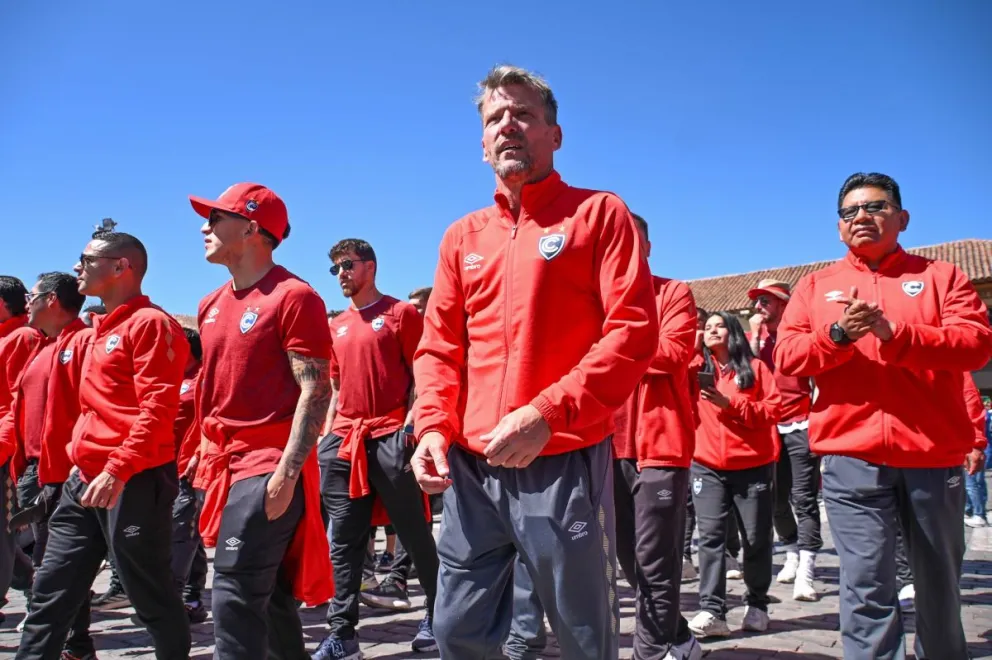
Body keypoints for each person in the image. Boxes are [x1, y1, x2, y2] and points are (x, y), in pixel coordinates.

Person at [412, 64, 659, 660]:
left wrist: (549, 411)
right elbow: (439, 346)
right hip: (472, 467)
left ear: (555, 134)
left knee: (581, 632)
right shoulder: (462, 237)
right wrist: (431, 428)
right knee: (456, 631)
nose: (508, 126)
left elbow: (632, 330)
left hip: (563, 457)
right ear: (481, 144)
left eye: (523, 114)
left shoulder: (599, 214)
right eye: (495, 118)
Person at [775, 172, 992, 659]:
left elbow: (976, 344)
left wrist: (897, 335)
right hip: (851, 458)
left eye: (874, 207)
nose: (861, 218)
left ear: (902, 218)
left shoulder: (943, 277)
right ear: (838, 228)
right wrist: (837, 336)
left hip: (932, 453)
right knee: (865, 585)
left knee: (939, 584)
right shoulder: (814, 287)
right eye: (850, 212)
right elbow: (787, 357)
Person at [505, 213, 701, 660]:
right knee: (627, 559)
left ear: (646, 248)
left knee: (655, 560)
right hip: (602, 444)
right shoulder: (588, 299)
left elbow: (671, 354)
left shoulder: (672, 292)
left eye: (633, 240)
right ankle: (680, 637)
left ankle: (650, 652)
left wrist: (612, 350)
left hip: (659, 445)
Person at [16, 232, 192, 660]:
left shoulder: (151, 324)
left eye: (86, 258)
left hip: (133, 481)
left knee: (150, 597)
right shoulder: (93, 333)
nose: (77, 267)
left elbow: (157, 410)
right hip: (83, 484)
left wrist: (117, 469)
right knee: (50, 594)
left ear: (121, 267)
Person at [189, 182, 333, 659]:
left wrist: (287, 475)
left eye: (216, 218)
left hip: (267, 465)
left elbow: (315, 390)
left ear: (252, 227)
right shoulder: (210, 304)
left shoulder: (294, 296)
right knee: (269, 601)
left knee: (233, 594)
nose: (205, 228)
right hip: (225, 463)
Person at [313, 238, 439, 659]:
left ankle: (438, 616)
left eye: (347, 265)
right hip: (345, 444)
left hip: (391, 436)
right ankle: (342, 635)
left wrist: (409, 427)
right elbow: (333, 386)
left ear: (370, 266)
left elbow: (422, 375)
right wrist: (327, 435)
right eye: (335, 269)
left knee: (414, 534)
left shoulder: (401, 314)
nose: (341, 275)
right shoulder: (335, 326)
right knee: (345, 542)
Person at [0, 273, 96, 654]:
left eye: (34, 296)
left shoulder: (66, 342)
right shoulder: (42, 346)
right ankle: (77, 642)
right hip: (36, 468)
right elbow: (18, 406)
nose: (28, 302)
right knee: (56, 564)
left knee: (61, 564)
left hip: (64, 470)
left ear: (51, 299)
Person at [688, 312, 781, 638]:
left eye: (719, 326)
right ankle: (712, 610)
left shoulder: (757, 370)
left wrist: (731, 405)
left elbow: (773, 411)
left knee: (755, 539)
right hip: (706, 466)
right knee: (710, 539)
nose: (711, 330)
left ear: (734, 333)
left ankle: (757, 604)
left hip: (752, 466)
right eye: (707, 327)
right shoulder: (697, 370)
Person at [746, 279, 820, 601]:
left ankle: (807, 567)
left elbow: (818, 378)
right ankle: (790, 551)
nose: (759, 306)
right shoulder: (755, 341)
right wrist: (753, 341)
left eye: (766, 301)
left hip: (800, 423)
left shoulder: (798, 336)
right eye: (757, 301)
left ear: (782, 305)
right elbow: (745, 379)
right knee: (774, 499)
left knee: (803, 497)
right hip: (768, 426)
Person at [0, 275, 37, 625]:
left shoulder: (21, 337)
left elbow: (16, 403)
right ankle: (37, 585)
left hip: (6, 451)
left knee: (4, 530)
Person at [171, 326, 208, 623]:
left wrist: (198, 454)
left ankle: (177, 595)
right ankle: (192, 599)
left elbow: (209, 419)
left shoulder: (204, 378)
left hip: (191, 468)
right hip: (165, 468)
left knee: (182, 531)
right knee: (188, 533)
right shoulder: (172, 378)